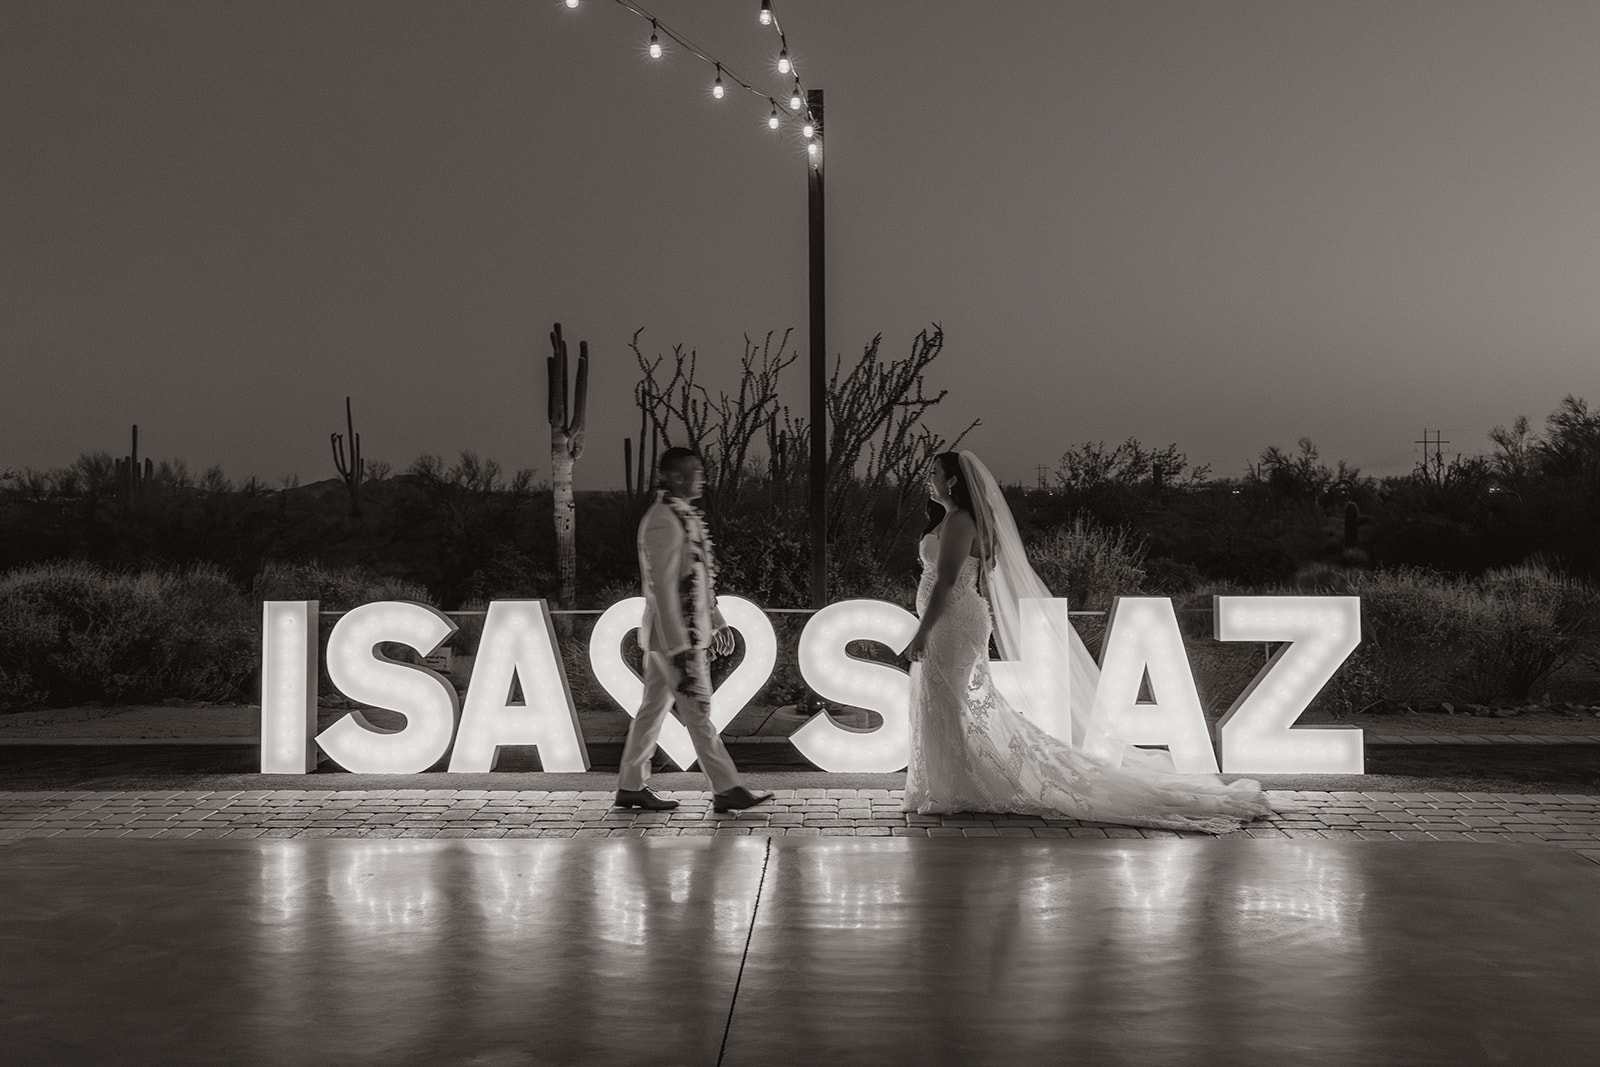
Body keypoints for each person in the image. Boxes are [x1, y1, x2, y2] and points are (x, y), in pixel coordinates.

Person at [899, 450, 1272, 833]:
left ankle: (958, 787)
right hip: (952, 619)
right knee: (947, 702)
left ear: (953, 481)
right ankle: (948, 784)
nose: (928, 479)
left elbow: (946, 580)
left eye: (934, 473)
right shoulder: (950, 519)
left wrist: (922, 631)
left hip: (952, 622)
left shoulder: (961, 521)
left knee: (950, 701)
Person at [615, 447, 773, 814]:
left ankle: (630, 785)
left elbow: (697, 578)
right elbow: (664, 587)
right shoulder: (662, 521)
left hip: (677, 636)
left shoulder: (681, 516)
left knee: (653, 710)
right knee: (698, 713)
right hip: (674, 639)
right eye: (694, 472)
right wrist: (682, 646)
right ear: (674, 477)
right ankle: (727, 787)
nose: (701, 477)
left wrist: (716, 621)